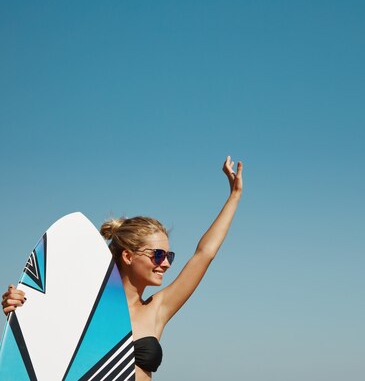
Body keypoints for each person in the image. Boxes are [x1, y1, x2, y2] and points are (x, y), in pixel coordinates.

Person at [1, 156, 243, 381]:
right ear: (128, 256)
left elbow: (204, 255)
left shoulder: (157, 309)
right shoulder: (81, 306)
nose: (166, 263)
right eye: (158, 255)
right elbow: (39, 349)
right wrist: (21, 305)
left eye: (169, 255)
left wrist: (234, 196)